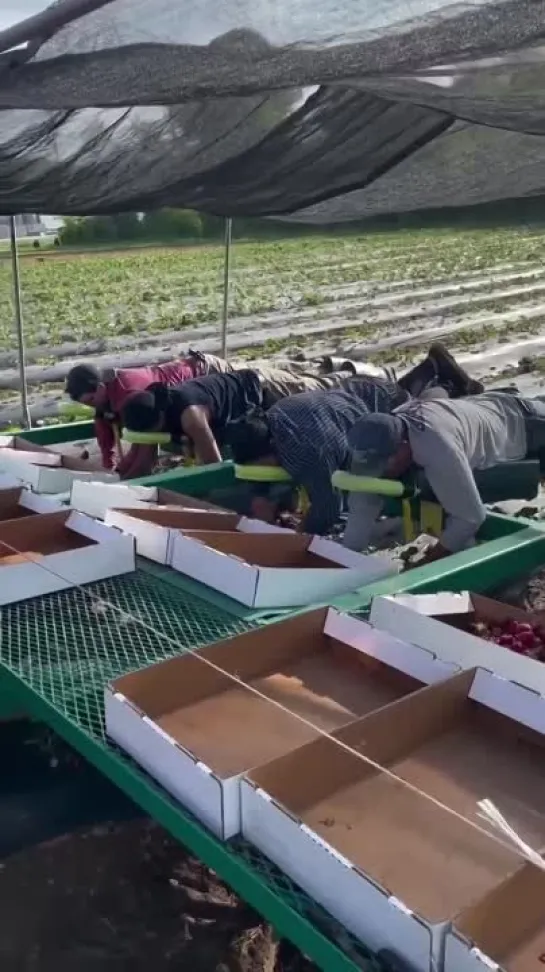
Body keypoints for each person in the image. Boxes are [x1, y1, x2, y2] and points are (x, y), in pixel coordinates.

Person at [343, 393, 545, 558]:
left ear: (403, 445)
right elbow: (363, 500)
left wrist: (427, 563)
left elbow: (470, 518)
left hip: (525, 423)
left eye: (385, 464)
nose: (383, 472)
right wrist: (347, 555)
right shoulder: (378, 439)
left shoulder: (438, 448)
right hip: (483, 408)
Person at [223, 376, 412, 535]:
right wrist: (263, 499)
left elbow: (329, 507)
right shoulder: (273, 417)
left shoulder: (307, 453)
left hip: (386, 406)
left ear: (272, 450)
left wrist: (301, 531)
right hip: (355, 389)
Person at [65, 351, 231, 479]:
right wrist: (110, 472)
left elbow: (145, 453)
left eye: (91, 400)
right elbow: (105, 436)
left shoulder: (131, 395)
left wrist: (124, 481)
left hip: (207, 371)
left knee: (207, 436)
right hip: (181, 387)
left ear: (101, 387)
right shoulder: (102, 399)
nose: (91, 405)